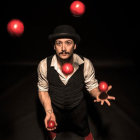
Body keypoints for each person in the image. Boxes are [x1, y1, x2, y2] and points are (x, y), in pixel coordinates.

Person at [37, 25, 115, 140]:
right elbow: (43, 90)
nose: (63, 48)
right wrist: (49, 111)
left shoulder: (85, 64)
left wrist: (98, 93)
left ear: (75, 46)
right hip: (55, 107)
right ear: (54, 46)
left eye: (68, 43)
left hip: (78, 107)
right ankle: (52, 135)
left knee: (85, 129)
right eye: (59, 43)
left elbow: (92, 86)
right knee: (51, 127)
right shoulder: (44, 65)